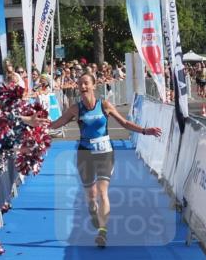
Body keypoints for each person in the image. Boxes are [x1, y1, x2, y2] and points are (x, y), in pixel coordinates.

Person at [47, 73, 162, 248]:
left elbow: (124, 123)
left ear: (94, 86)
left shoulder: (105, 105)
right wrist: (33, 124)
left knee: (102, 192)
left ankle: (102, 232)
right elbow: (55, 124)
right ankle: (92, 207)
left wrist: (145, 131)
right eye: (80, 84)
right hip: (85, 153)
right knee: (91, 195)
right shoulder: (75, 109)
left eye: (86, 83)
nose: (83, 87)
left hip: (105, 152)